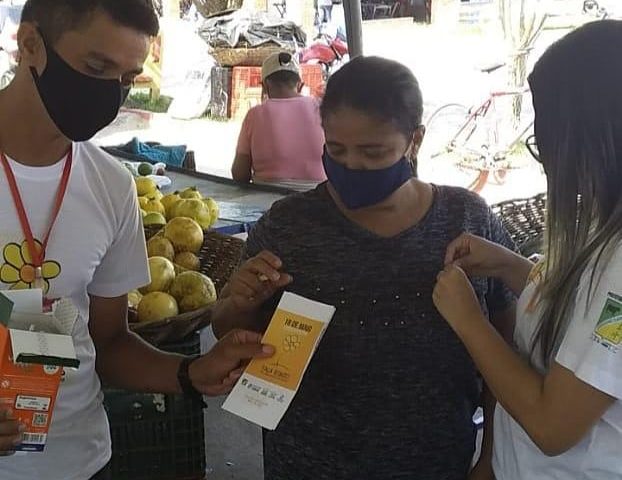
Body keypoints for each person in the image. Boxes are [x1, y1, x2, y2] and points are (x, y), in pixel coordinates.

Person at [0, 1, 273, 479]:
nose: (108, 94)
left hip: (82, 461)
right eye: (95, 67)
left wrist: (192, 372)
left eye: (125, 79)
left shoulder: (110, 185)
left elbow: (109, 342)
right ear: (30, 45)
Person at [214, 56, 516, 480]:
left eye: (373, 152)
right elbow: (226, 330)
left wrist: (491, 459)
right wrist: (240, 304)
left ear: (414, 140)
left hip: (437, 461)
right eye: (336, 149)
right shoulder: (287, 226)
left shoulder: (467, 221)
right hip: (306, 462)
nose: (352, 166)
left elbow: (508, 351)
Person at [433, 20, 622, 479]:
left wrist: (470, 322)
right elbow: (584, 306)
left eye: (547, 144)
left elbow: (551, 426)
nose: (547, 165)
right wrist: (512, 267)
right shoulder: (605, 212)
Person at [232, 51, 326, 191]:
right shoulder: (321, 109)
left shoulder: (254, 115)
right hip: (316, 193)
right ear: (300, 85)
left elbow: (240, 173)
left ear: (265, 86)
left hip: (267, 195)